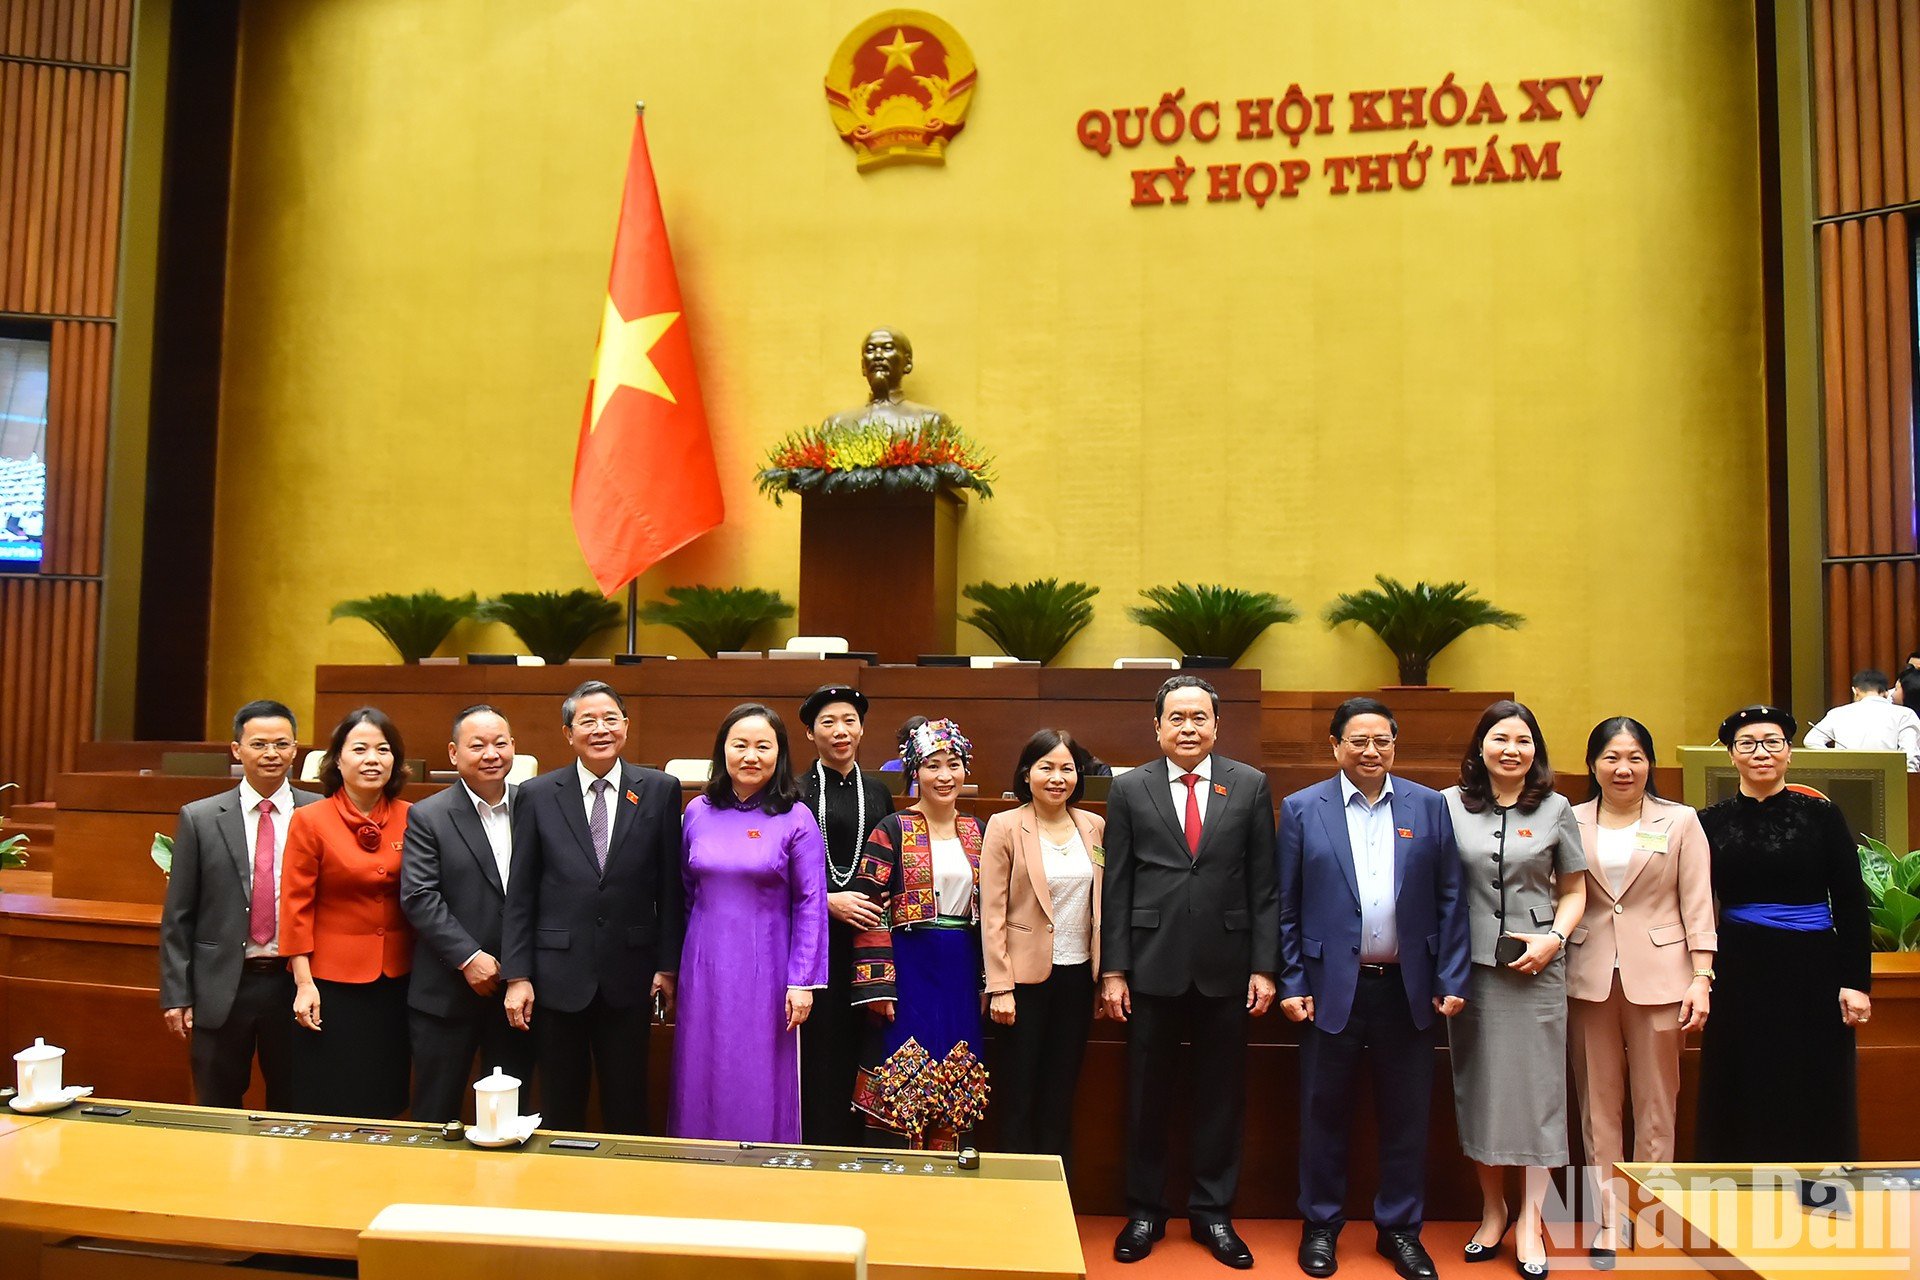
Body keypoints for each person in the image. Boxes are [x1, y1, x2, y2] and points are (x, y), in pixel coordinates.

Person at [1277, 698, 1469, 1280]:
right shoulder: (1302, 808)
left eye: (1382, 740)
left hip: (1407, 989)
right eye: (1358, 740)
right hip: (1327, 988)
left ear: (1394, 745)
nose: (1370, 751)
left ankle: (1401, 1231)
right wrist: (1291, 979)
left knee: (1407, 1115)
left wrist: (1451, 977)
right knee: (1322, 1113)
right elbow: (1284, 907)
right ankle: (1321, 1226)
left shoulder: (1429, 806)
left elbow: (1451, 899)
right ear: (1335, 746)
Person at [1101, 675, 1279, 1271]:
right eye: (1176, 718)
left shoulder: (1249, 785)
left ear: (1216, 725)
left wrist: (1263, 966)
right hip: (1150, 967)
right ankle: (1145, 1211)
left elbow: (1263, 887)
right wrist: (1115, 971)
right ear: (1157, 727)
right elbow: (1118, 885)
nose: (1188, 728)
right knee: (1146, 1095)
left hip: (1227, 968)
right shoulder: (1129, 789)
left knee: (1219, 1097)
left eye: (1198, 717)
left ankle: (1212, 1213)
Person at [501, 680, 684, 1135]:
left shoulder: (660, 789)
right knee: (561, 1102)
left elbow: (670, 887)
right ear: (568, 733)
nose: (600, 729)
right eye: (587, 720)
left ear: (625, 725)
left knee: (628, 1101)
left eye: (610, 719)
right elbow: (520, 892)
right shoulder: (537, 794)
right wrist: (517, 975)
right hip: (557, 975)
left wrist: (667, 966)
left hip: (632, 973)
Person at [1443, 700, 1586, 1279]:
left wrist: (1554, 938)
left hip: (1537, 972)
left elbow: (1575, 892)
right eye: (1500, 738)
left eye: (1523, 740)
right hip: (1470, 973)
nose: (1511, 749)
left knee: (1537, 1096)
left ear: (1537, 750)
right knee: (1480, 1091)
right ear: (1480, 746)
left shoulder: (1556, 809)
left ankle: (1531, 1217)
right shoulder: (1447, 806)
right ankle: (1493, 1209)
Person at [1567, 716, 1715, 1266]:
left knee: (1658, 1103)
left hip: (1662, 975)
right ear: (1593, 764)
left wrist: (1702, 975)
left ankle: (1650, 1216)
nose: (1622, 768)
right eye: (1610, 757)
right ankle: (1610, 1219)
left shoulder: (1680, 822)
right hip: (1588, 975)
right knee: (1597, 1105)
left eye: (1633, 756)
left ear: (1649, 762)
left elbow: (1698, 902)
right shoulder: (1571, 818)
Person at [1695, 706, 1871, 1161]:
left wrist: (1855, 982)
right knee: (1742, 1072)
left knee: (1814, 1075)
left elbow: (1851, 899)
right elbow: (1693, 903)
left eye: (1773, 742)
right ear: (1732, 755)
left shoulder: (1822, 816)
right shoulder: (1708, 822)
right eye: (1748, 744)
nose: (1761, 753)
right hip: (1738, 967)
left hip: (1813, 965)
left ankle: (1819, 1194)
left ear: (1789, 753)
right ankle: (1735, 1193)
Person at [670, 703, 828, 1142]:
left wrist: (803, 981)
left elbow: (812, 902)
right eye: (739, 745)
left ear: (780, 754)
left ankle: (765, 1170)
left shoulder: (796, 818)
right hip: (703, 965)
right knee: (700, 1067)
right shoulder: (697, 812)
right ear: (723, 750)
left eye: (763, 746)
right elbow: (685, 888)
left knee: (759, 1072)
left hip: (769, 971)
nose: (750, 756)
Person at [158, 700, 321, 1109]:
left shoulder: (319, 812)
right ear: (236, 750)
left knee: (296, 1103)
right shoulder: (200, 817)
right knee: (216, 1105)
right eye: (259, 744)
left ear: (295, 749)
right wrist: (177, 994)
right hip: (222, 987)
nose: (271, 754)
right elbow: (179, 915)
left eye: (282, 744)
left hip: (296, 982)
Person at [849, 717, 987, 1150]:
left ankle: (948, 1167)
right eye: (931, 766)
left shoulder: (978, 831)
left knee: (957, 1055)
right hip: (908, 966)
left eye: (953, 764)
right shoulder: (891, 829)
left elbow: (994, 910)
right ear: (914, 773)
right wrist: (877, 985)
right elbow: (869, 909)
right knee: (902, 1057)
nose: (944, 776)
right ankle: (893, 1174)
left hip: (961, 964)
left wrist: (990, 978)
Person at [399, 704, 535, 1123]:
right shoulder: (428, 815)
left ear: (514, 747)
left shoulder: (538, 806)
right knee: (435, 1113)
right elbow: (420, 896)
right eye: (477, 745)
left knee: (511, 1116)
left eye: (500, 743)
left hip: (521, 992)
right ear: (454, 753)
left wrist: (519, 971)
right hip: (446, 992)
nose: (490, 753)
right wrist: (469, 958)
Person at [279, 706, 415, 1119]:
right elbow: (295, 904)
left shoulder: (414, 817)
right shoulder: (309, 820)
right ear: (338, 759)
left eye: (383, 750)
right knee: (332, 1094)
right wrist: (303, 982)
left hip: (398, 980)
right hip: (330, 982)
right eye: (360, 749)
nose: (373, 759)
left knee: (386, 1094)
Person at [981, 728, 1105, 1172]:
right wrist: (1000, 986)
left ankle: (1056, 1193)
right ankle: (1015, 1196)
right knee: (1019, 1094)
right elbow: (991, 910)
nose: (1058, 778)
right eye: (1046, 767)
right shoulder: (1006, 825)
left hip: (1077, 977)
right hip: (1022, 983)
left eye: (1067, 768)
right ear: (1026, 774)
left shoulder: (1094, 827)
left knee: (1060, 1093)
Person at [797, 684, 897, 1146]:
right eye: (828, 723)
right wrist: (828, 902)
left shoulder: (878, 790)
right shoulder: (794, 791)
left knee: (868, 1049)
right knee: (821, 1050)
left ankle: (866, 1152)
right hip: (814, 942)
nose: (841, 732)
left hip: (869, 945)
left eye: (850, 721)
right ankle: (820, 1149)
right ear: (810, 734)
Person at [824, 328, 955, 432]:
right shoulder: (837, 424)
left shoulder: (931, 421)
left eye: (887, 348)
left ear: (907, 362)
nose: (878, 356)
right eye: (870, 350)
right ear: (863, 366)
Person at [1804, 669, 1920, 770]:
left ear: (1855, 691)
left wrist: (1839, 759)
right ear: (1885, 692)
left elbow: (1811, 740)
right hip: (1889, 778)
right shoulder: (1905, 714)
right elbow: (1910, 756)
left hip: (1846, 776)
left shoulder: (1837, 713)